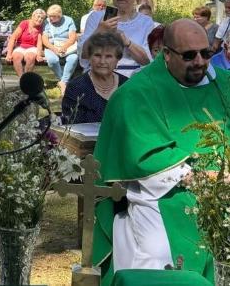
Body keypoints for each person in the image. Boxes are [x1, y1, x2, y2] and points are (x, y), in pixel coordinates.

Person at [92, 19, 228, 285]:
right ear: (166, 54)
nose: (200, 61)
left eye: (206, 53)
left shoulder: (224, 85)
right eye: (189, 55)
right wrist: (206, 180)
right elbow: (145, 158)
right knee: (161, 252)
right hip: (167, 195)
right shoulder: (135, 95)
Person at [78, 0, 154, 78]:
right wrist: (99, 31)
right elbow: (84, 55)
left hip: (132, 78)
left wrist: (127, 42)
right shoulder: (96, 17)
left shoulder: (145, 22)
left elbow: (147, 61)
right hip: (98, 75)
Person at [61, 32, 127, 124]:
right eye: (97, 55)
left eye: (108, 56)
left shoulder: (126, 85)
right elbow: (72, 124)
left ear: (117, 59)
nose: (102, 61)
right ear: (89, 57)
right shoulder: (75, 87)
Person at [42, 5, 79, 95]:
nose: (50, 18)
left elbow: (72, 37)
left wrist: (65, 46)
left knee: (73, 58)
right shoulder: (46, 22)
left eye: (52, 17)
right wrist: (53, 48)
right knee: (52, 60)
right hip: (52, 46)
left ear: (59, 16)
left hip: (67, 47)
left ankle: (63, 82)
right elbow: (45, 39)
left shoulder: (68, 20)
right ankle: (64, 82)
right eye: (49, 16)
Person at [5, 9, 46, 77]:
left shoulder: (40, 27)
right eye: (38, 17)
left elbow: (39, 43)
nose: (40, 19)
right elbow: (13, 38)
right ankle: (22, 79)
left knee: (30, 58)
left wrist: (39, 55)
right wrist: (9, 54)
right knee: (16, 57)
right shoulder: (24, 23)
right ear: (32, 16)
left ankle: (26, 78)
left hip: (33, 48)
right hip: (20, 46)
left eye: (42, 18)